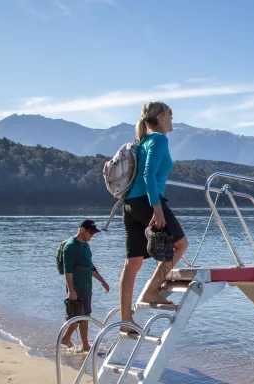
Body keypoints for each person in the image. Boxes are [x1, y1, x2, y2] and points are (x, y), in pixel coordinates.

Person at [118, 101, 188, 333]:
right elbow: (148, 174)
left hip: (130, 203)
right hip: (148, 201)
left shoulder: (142, 141)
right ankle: (152, 289)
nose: (172, 119)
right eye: (170, 114)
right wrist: (157, 208)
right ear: (160, 116)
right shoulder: (158, 139)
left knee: (132, 263)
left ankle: (126, 322)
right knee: (180, 245)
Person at [61, 219, 109, 351]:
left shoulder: (86, 245)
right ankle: (84, 344)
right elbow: (67, 270)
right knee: (80, 317)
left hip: (87, 286)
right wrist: (71, 290)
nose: (92, 236)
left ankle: (69, 339)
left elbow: (90, 266)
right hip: (77, 287)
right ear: (82, 230)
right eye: (90, 233)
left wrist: (103, 282)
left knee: (84, 316)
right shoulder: (70, 246)